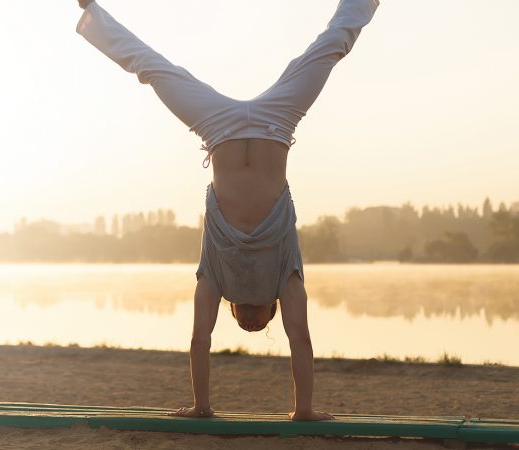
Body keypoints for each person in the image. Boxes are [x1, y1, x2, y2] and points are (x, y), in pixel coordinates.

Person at [75, 0, 379, 420]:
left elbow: (201, 339)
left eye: (243, 325)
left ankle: (91, 10)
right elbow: (300, 337)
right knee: (330, 47)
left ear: (233, 307)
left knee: (154, 68)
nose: (253, 327)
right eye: (259, 326)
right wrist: (303, 410)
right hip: (278, 122)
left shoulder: (216, 275)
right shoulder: (284, 274)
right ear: (270, 307)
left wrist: (202, 406)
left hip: (218, 127)